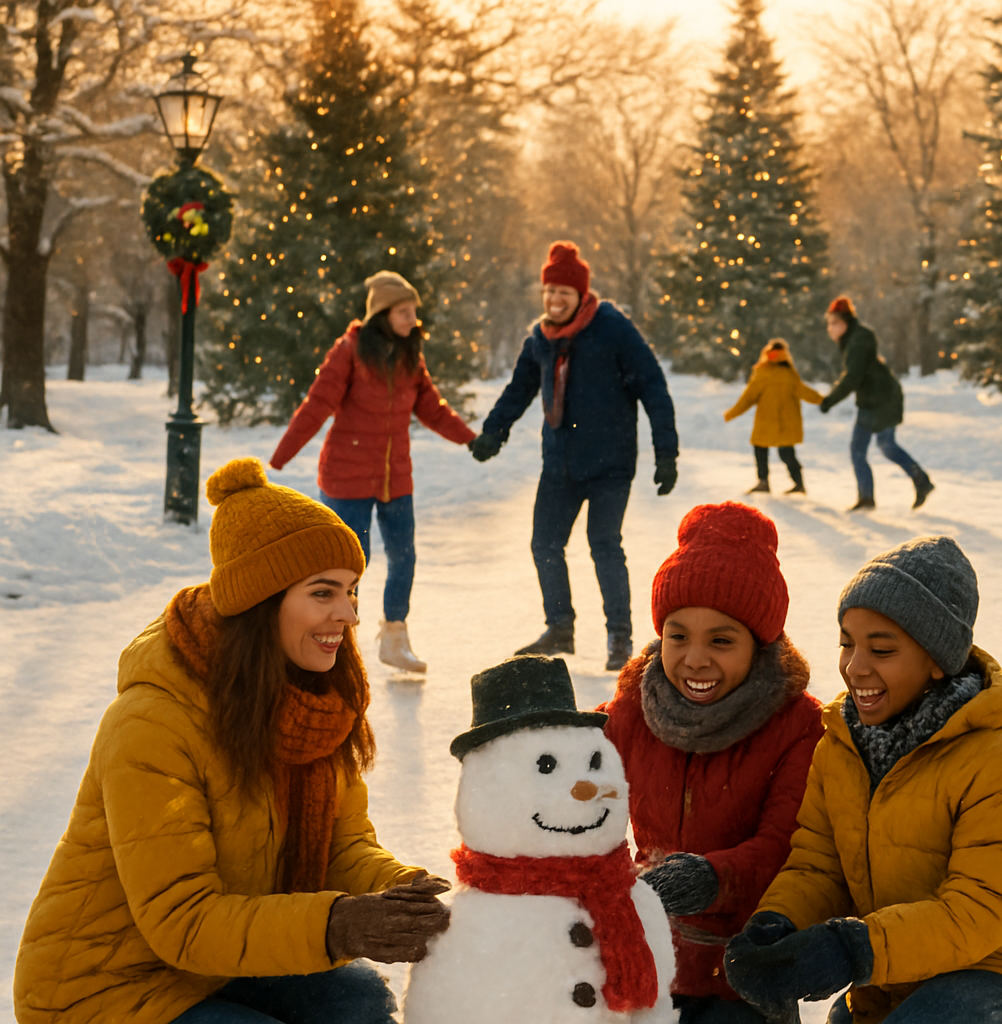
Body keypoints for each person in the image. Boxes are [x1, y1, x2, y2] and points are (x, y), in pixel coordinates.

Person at [14, 458, 451, 1024]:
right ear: (261, 603)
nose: (347, 614)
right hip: (102, 989)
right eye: (323, 593)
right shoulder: (152, 723)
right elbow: (185, 921)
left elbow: (343, 847)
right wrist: (339, 923)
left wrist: (404, 890)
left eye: (350, 592)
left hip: (211, 968)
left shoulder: (314, 704)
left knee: (358, 1000)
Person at [724, 536, 1002, 1024]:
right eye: (847, 642)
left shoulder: (1001, 761)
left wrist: (852, 950)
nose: (855, 666)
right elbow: (819, 865)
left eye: (882, 649)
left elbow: (979, 911)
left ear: (937, 661)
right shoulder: (842, 748)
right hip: (894, 969)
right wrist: (777, 924)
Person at [598, 501, 824, 1023]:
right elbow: (573, 778)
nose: (695, 659)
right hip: (644, 962)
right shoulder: (635, 706)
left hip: (743, 972)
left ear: (759, 644)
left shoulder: (798, 726)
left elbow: (786, 847)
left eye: (721, 640)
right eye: (678, 637)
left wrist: (711, 877)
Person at [471, 241, 679, 672]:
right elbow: (519, 389)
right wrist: (494, 432)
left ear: (581, 294)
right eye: (549, 291)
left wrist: (666, 451)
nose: (554, 299)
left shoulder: (612, 327)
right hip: (561, 465)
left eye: (564, 292)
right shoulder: (541, 337)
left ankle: (619, 637)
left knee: (604, 545)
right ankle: (560, 627)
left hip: (611, 464)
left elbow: (653, 386)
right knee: (544, 543)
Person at [270, 270, 476, 674]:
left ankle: (394, 639)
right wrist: (280, 457)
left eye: (414, 310)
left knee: (404, 557)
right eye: (404, 310)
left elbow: (432, 408)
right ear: (382, 314)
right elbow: (318, 404)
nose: (412, 317)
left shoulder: (409, 357)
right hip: (347, 479)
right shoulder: (349, 351)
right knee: (348, 565)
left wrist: (471, 439)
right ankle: (336, 645)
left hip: (394, 478)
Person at [817, 296, 934, 512]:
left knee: (866, 448)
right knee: (882, 446)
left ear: (845, 323)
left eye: (834, 323)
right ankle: (918, 482)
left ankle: (869, 497)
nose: (830, 329)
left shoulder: (858, 340)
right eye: (829, 323)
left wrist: (829, 400)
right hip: (876, 398)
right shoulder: (854, 338)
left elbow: (853, 376)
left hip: (881, 400)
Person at [723, 338, 824, 494]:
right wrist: (823, 400)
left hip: (766, 422)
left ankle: (763, 482)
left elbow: (748, 397)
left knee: (761, 451)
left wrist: (731, 413)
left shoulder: (763, 372)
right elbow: (804, 391)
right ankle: (799, 483)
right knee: (787, 454)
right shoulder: (789, 373)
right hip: (786, 424)